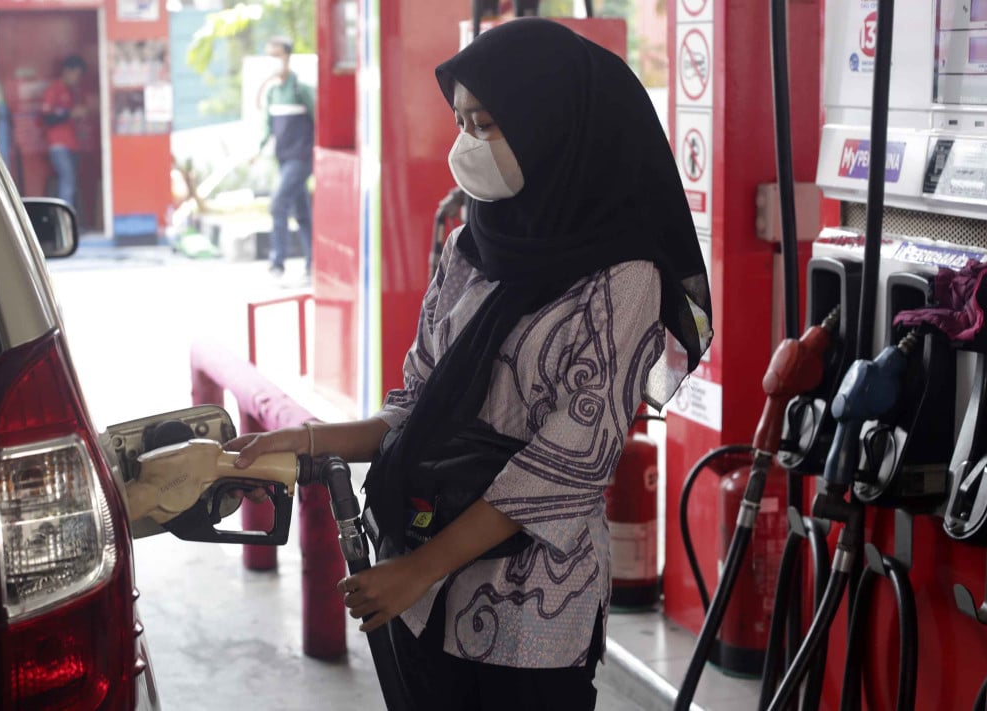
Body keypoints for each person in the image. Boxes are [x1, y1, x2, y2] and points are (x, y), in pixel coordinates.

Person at [226, 18, 712, 711]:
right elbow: (415, 404)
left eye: (488, 124)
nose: (467, 146)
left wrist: (419, 569)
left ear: (551, 128)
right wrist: (302, 441)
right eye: (462, 122)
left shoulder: (622, 277)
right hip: (422, 593)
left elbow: (567, 464)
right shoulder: (470, 246)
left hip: (528, 612)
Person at [254, 37, 315, 279]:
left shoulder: (301, 89)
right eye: (269, 56)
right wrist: (257, 149)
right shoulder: (272, 94)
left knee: (278, 203)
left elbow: (320, 121)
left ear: (288, 56)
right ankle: (314, 262)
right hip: (283, 159)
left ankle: (277, 263)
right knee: (301, 212)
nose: (273, 62)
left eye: (277, 55)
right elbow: (266, 127)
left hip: (301, 159)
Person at [41, 55, 88, 215]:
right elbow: (47, 118)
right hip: (58, 146)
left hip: (72, 145)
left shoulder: (72, 92)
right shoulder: (54, 89)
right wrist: (70, 114)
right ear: (68, 71)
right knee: (67, 182)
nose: (77, 78)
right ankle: (65, 222)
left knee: (71, 182)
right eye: (76, 74)